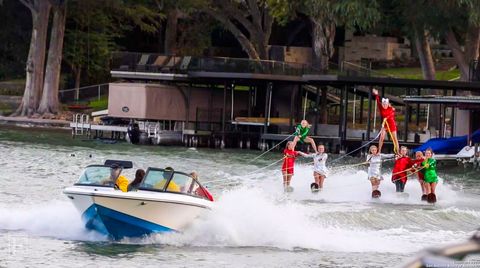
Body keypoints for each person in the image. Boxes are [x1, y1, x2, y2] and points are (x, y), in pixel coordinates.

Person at [372, 88, 399, 154]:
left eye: (385, 104)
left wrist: (387, 117)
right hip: (385, 125)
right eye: (383, 104)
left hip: (391, 125)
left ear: (387, 104)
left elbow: (392, 114)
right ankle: (379, 151)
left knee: (395, 139)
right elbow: (378, 101)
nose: (384, 105)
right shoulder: (381, 108)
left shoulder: (391, 109)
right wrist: (376, 94)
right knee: (381, 138)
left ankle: (398, 152)